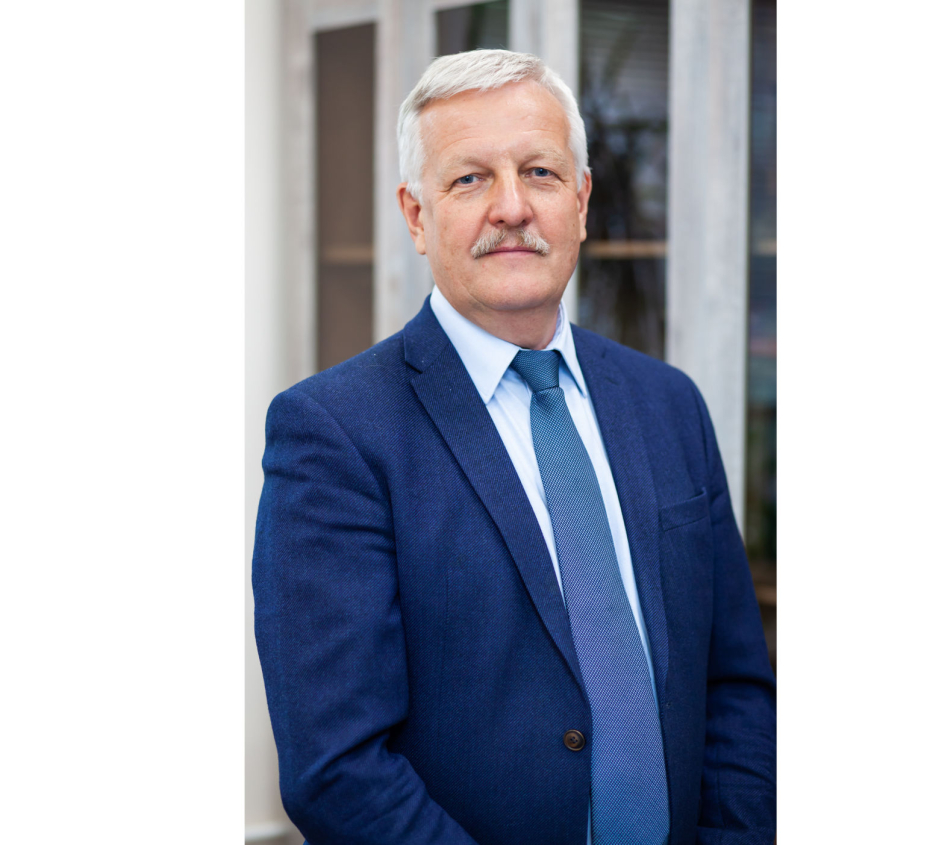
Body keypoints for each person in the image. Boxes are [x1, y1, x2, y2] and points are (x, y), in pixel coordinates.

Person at [253, 49, 775, 845]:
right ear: (417, 216)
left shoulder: (670, 404)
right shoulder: (333, 434)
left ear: (582, 200)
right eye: (469, 179)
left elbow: (734, 684)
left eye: (539, 172)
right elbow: (337, 767)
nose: (511, 207)